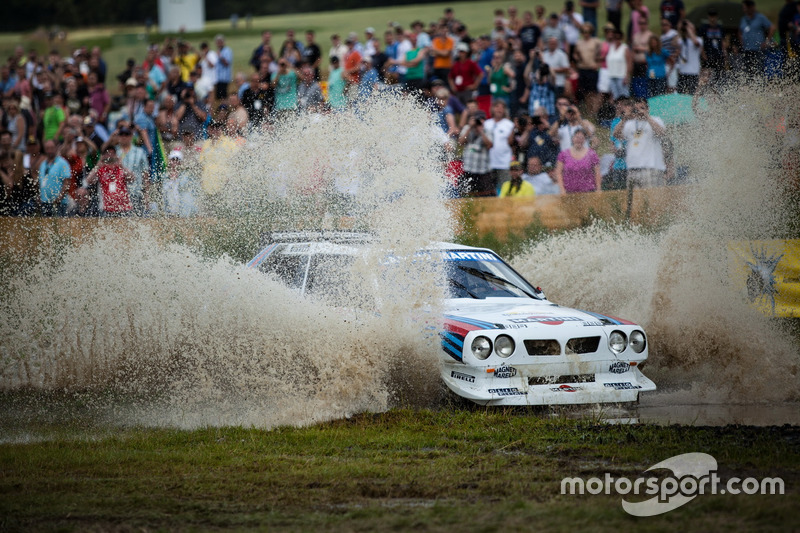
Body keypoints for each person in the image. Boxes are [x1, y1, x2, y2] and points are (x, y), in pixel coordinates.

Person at [612, 97, 667, 195]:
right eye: (636, 109)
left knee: (651, 200)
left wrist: (647, 117)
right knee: (635, 204)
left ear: (647, 109)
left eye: (642, 108)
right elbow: (616, 134)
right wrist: (624, 119)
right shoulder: (629, 124)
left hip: (651, 168)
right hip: (632, 169)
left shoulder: (655, 120)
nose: (639, 111)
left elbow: (661, 133)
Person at [86, 146, 133, 216]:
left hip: (124, 207)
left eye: (112, 153)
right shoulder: (101, 169)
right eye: (107, 154)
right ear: (104, 155)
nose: (110, 156)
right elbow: (89, 180)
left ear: (116, 155)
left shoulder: (120, 168)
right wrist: (98, 164)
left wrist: (121, 165)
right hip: (107, 208)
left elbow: (132, 178)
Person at [457, 109, 493, 196]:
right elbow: (460, 142)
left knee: (485, 195)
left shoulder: (487, 130)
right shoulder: (467, 128)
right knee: (466, 194)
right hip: (469, 169)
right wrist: (470, 127)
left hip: (483, 170)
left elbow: (490, 145)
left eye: (481, 119)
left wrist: (481, 131)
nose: (478, 121)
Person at [483, 99, 515, 195]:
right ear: (492, 109)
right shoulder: (486, 123)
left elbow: (511, 143)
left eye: (502, 107)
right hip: (488, 163)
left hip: (504, 163)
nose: (499, 109)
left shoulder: (509, 124)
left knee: (505, 190)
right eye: (497, 107)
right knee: (489, 191)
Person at [554, 128, 601, 193]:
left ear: (585, 140)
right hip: (568, 192)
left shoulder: (592, 154)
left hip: (588, 191)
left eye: (581, 138)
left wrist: (598, 189)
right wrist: (562, 189)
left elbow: (597, 172)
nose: (579, 140)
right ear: (572, 138)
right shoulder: (563, 154)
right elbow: (558, 172)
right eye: (577, 137)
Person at [738, 0, 775, 77]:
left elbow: (772, 27)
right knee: (747, 71)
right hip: (746, 49)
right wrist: (741, 40)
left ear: (750, 7)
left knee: (758, 69)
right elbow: (740, 31)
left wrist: (767, 40)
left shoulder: (760, 17)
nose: (743, 9)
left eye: (745, 8)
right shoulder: (743, 19)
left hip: (758, 49)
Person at [38, 139, 72, 216]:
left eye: (52, 148)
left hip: (59, 203)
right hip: (45, 202)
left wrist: (59, 198)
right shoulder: (43, 164)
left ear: (56, 148)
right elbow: (40, 182)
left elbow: (67, 182)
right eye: (47, 148)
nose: (49, 151)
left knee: (59, 226)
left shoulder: (62, 162)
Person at [698, 9, 728, 87]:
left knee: (719, 74)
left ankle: (717, 88)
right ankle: (704, 88)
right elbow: (700, 41)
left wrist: (724, 54)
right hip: (708, 54)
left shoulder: (720, 28)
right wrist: (703, 53)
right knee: (706, 74)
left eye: (714, 16)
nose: (712, 18)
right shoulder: (704, 28)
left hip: (718, 54)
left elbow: (723, 41)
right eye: (711, 16)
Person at [605, 28, 633, 100]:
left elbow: (629, 63)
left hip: (621, 76)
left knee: (624, 97)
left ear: (621, 38)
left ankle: (627, 111)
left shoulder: (625, 48)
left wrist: (627, 76)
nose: (617, 40)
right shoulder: (611, 47)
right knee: (615, 98)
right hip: (612, 76)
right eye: (615, 38)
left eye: (619, 38)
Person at [676, 20, 703, 94]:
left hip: (693, 72)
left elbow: (696, 43)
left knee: (692, 94)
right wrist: (679, 30)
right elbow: (674, 43)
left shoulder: (699, 39)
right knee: (680, 94)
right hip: (683, 72)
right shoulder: (682, 40)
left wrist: (689, 29)